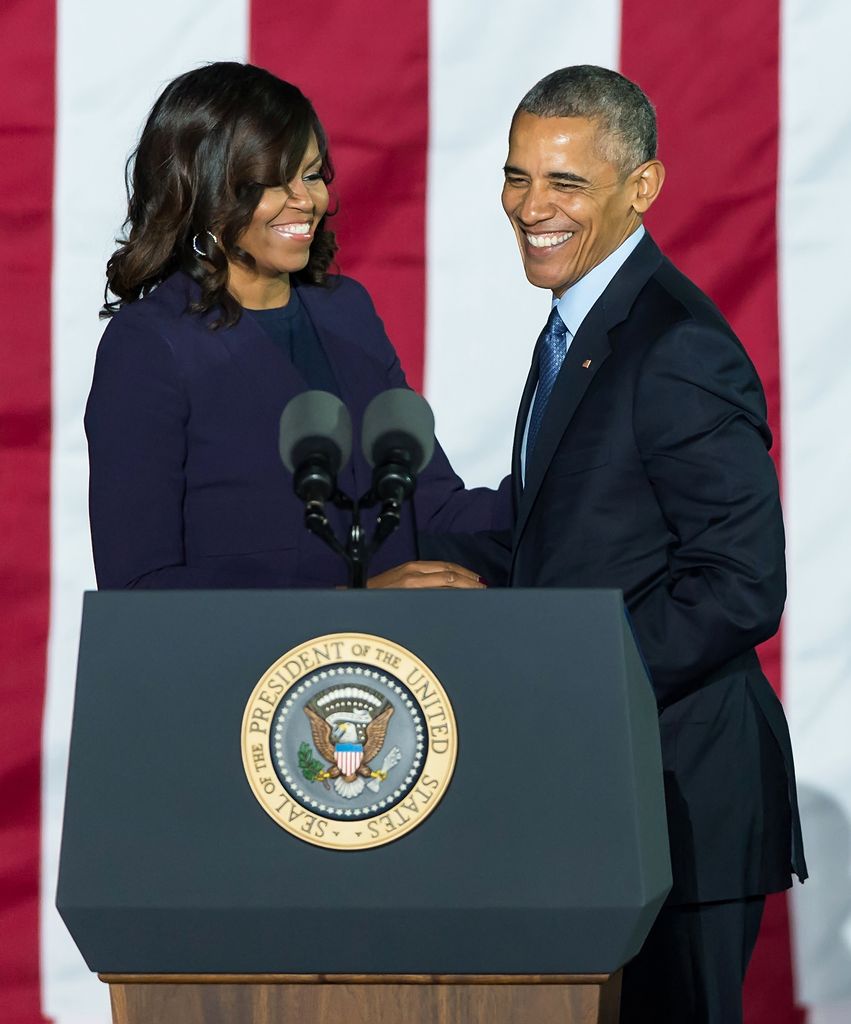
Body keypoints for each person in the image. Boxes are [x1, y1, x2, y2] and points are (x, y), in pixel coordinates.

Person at [496, 65, 807, 1023]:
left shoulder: (675, 344)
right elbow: (581, 532)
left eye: (565, 183)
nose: (530, 208)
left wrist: (578, 673)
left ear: (642, 187)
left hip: (679, 799)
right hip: (609, 795)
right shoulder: (582, 331)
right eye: (517, 177)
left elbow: (740, 581)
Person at [86, 62, 507, 591]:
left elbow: (432, 509)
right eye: (270, 182)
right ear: (201, 189)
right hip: (249, 674)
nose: (306, 201)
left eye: (310, 175)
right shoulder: (150, 347)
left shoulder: (347, 310)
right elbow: (139, 587)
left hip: (393, 669)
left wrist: (570, 492)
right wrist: (352, 603)